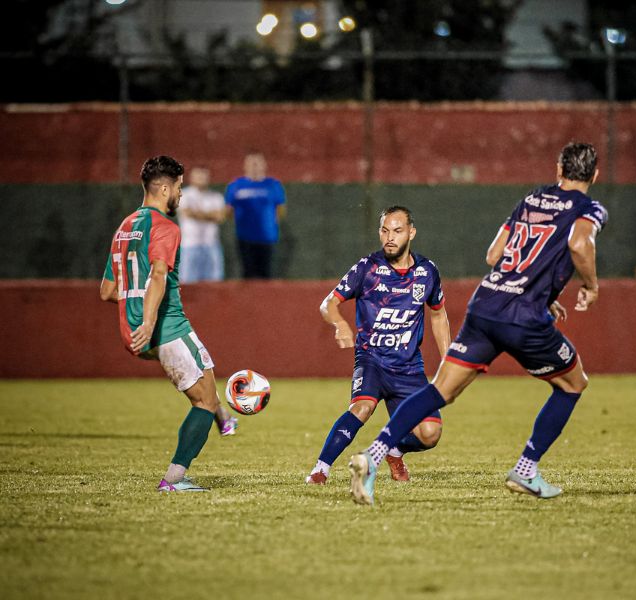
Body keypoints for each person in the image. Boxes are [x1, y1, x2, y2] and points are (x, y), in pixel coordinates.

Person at [348, 142, 609, 506]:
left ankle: (374, 457)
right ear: (595, 175)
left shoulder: (531, 200)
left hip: (485, 304)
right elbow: (580, 244)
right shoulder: (590, 208)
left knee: (441, 390)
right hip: (522, 317)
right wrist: (591, 286)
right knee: (572, 383)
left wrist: (541, 293)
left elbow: (494, 254)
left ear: (558, 170)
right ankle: (526, 468)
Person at [100, 156, 238, 493]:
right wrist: (149, 320)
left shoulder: (125, 227)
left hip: (133, 330)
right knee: (203, 401)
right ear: (164, 188)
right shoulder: (165, 226)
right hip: (165, 326)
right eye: (178, 187)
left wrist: (137, 314)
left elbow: (107, 291)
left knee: (205, 370)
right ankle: (174, 480)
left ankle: (225, 420)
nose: (180, 194)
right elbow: (159, 275)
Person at [305, 206, 451, 485]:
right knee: (362, 408)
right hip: (372, 360)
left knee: (430, 433)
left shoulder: (427, 271)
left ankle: (394, 450)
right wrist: (339, 324)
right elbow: (329, 303)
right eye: (385, 231)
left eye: (397, 231)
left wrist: (447, 360)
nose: (390, 238)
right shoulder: (367, 268)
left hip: (408, 367)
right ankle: (320, 469)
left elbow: (438, 313)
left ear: (412, 233)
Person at [225, 152, 286, 279]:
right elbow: (228, 210)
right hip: (244, 238)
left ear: (264, 165)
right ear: (245, 165)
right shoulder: (236, 185)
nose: (254, 166)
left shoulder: (273, 185)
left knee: (266, 275)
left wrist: (270, 226)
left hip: (267, 238)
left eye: (257, 162)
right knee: (248, 275)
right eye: (251, 163)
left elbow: (280, 209)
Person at [178, 166, 226, 283]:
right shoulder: (183, 195)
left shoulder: (216, 197)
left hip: (212, 245)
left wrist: (197, 214)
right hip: (189, 246)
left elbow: (220, 217)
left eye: (204, 175)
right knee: (188, 284)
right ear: (191, 177)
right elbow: (187, 213)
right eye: (198, 175)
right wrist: (210, 215)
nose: (201, 178)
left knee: (214, 284)